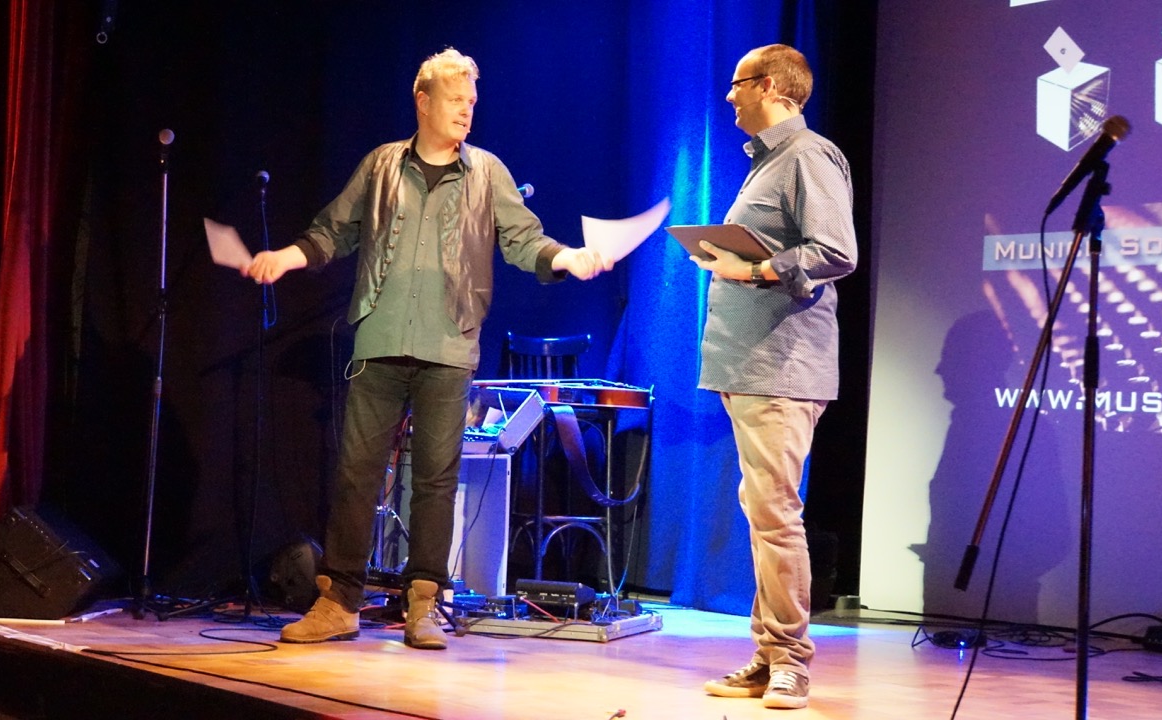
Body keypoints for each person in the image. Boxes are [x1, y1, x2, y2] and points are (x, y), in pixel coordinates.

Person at [242, 48, 610, 650]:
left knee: (436, 479)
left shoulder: (487, 172)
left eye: (472, 100)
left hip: (449, 344)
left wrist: (565, 257)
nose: (467, 109)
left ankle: (423, 603)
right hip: (381, 338)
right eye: (456, 98)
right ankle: (338, 602)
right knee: (357, 474)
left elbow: (523, 238)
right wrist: (288, 256)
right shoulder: (382, 165)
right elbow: (334, 229)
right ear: (423, 101)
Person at [691, 44, 857, 709]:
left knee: (777, 515)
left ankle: (790, 660)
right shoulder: (767, 163)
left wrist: (756, 268)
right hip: (749, 363)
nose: (729, 95)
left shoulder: (808, 156)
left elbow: (836, 250)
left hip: (782, 365)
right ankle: (766, 656)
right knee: (763, 513)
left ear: (768, 87)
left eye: (738, 84)